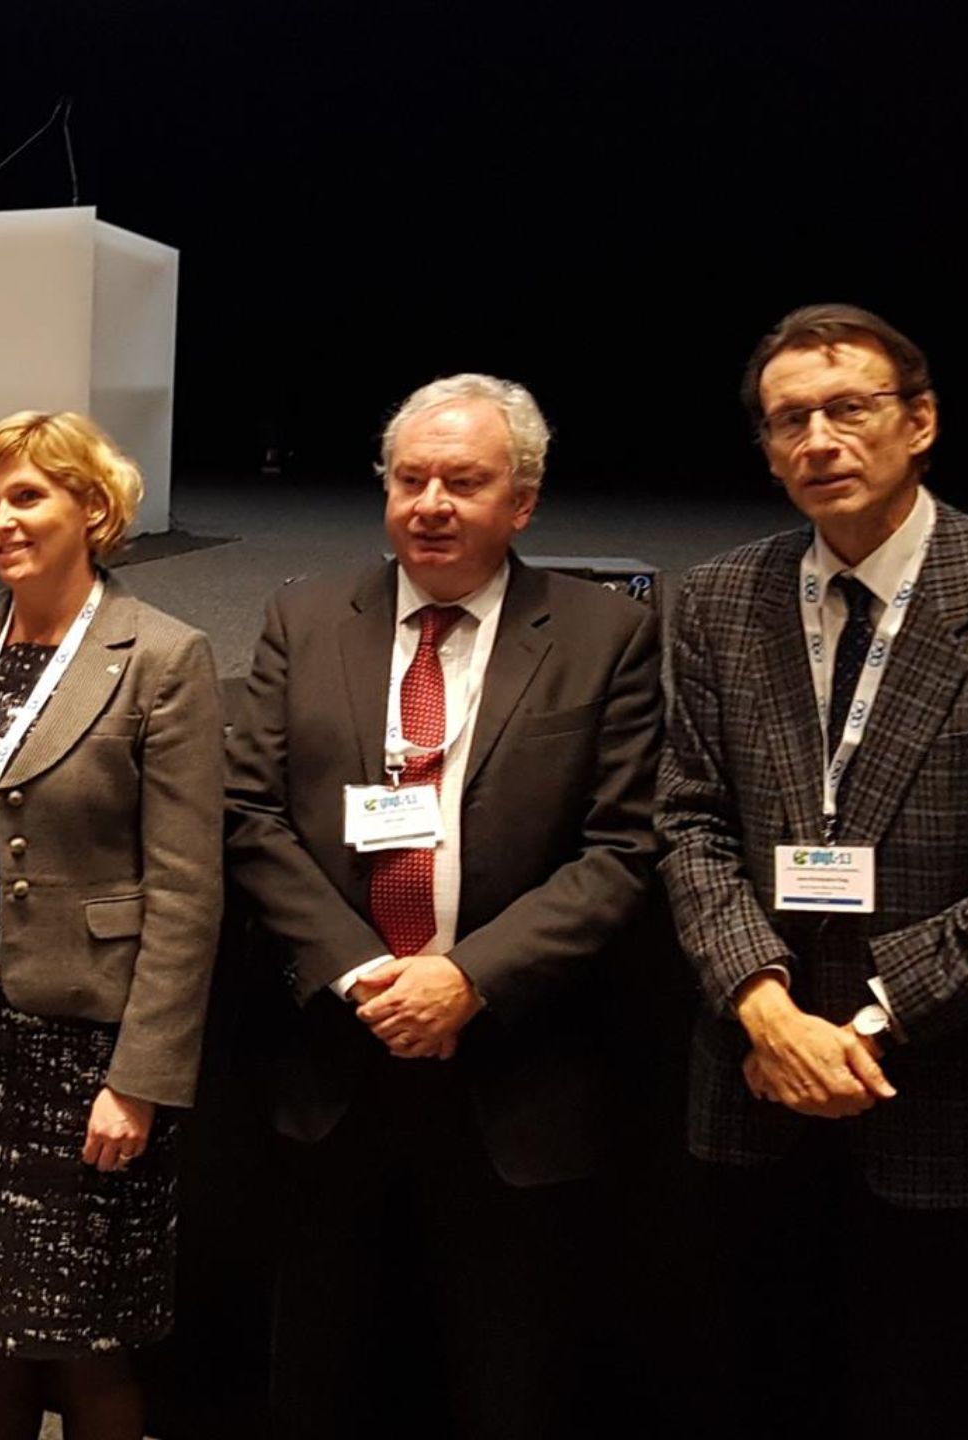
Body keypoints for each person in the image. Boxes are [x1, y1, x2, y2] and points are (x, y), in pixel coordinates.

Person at [658, 303, 968, 1437]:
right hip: (755, 1084)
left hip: (954, 1099)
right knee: (760, 1385)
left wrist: (865, 1026)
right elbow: (686, 824)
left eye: (849, 408)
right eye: (790, 420)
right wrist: (766, 1009)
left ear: (919, 423)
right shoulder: (723, 599)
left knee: (937, 1393)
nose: (819, 439)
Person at [222, 374, 660, 1437]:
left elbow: (624, 847)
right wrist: (368, 973)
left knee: (505, 1373)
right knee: (320, 1370)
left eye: (463, 481)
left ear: (524, 501)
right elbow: (249, 814)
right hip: (338, 1053)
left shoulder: (606, 635)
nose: (430, 503)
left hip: (511, 1068)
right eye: (409, 479)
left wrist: (468, 979)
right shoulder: (307, 616)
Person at [0, 411, 222, 1440]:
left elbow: (188, 891)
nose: (3, 520)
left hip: (88, 1048)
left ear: (93, 509)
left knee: (85, 1330)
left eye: (29, 496)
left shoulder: (161, 656)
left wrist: (141, 1078)